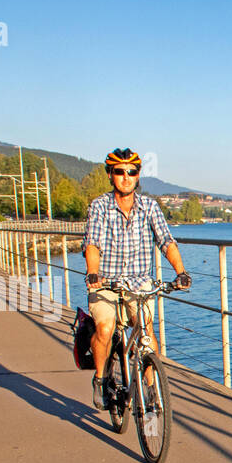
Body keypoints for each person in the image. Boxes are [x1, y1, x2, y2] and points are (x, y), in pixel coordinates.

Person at [83, 148, 191, 409]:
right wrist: (93, 272)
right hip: (106, 281)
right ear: (110, 175)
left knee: (144, 330)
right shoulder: (99, 206)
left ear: (138, 175)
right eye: (119, 172)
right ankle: (100, 379)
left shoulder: (149, 207)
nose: (126, 177)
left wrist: (181, 272)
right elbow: (93, 244)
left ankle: (152, 387)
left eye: (131, 172)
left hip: (139, 281)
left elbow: (166, 241)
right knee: (105, 328)